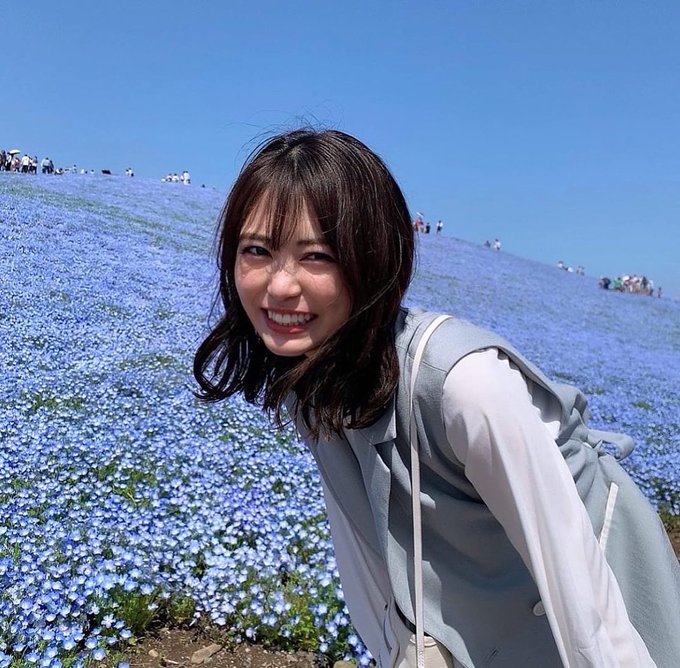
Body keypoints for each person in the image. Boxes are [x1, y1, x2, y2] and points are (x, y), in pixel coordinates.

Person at [193, 128, 680, 668]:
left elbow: (582, 592)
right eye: (257, 250)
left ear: (374, 259)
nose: (280, 286)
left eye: (316, 256)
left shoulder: (465, 384)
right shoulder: (309, 374)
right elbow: (361, 542)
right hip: (493, 601)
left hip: (602, 592)